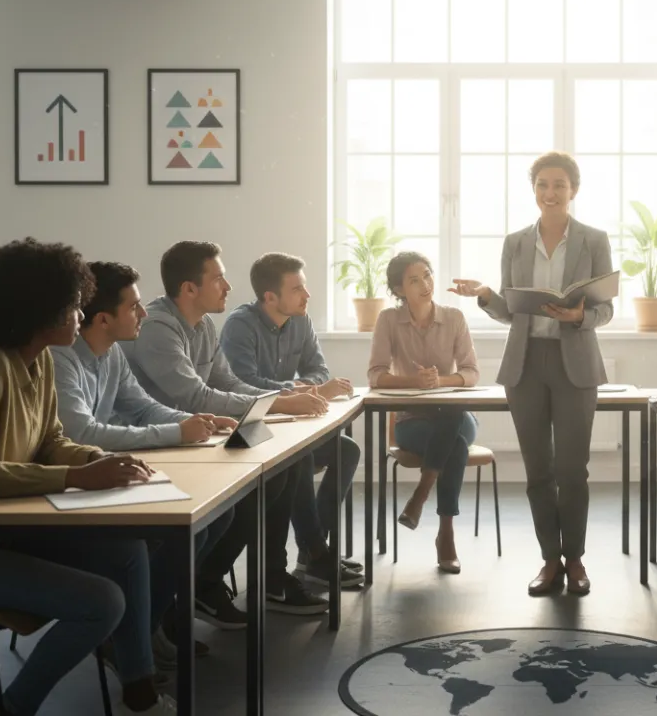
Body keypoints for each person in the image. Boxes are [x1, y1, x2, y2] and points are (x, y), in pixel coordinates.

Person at [0, 238, 173, 715]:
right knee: (101, 601)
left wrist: (93, 460)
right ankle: (11, 710)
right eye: (72, 305)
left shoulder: (37, 358)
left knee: (128, 552)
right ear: (39, 309)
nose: (81, 315)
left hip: (0, 534)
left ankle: (138, 687)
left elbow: (50, 440)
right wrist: (73, 478)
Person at [124, 241, 330, 625]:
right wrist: (282, 402)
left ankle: (211, 582)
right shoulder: (157, 327)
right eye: (218, 278)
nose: (228, 287)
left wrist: (278, 398)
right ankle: (187, 592)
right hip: (161, 448)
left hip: (198, 439)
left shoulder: (202, 325)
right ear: (189, 288)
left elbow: (229, 383)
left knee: (280, 472)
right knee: (241, 499)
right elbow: (194, 394)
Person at [52, 260, 239, 666]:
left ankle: (144, 628)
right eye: (135, 306)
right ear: (103, 319)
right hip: (70, 489)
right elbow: (81, 434)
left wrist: (194, 422)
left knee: (215, 518)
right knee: (174, 532)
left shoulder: (113, 354)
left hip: (104, 476)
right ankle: (133, 639)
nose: (143, 313)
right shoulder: (60, 360)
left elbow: (141, 407)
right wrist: (178, 433)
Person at [449, 151, 613, 596]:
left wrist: (579, 314)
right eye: (543, 184)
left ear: (573, 190)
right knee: (538, 469)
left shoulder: (594, 240)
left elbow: (606, 308)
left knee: (572, 468)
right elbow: (511, 310)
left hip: (574, 360)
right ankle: (549, 561)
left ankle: (575, 559)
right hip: (525, 363)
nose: (551, 192)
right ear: (534, 191)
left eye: (559, 184)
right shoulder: (515, 242)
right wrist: (485, 294)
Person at [220, 252, 364, 589]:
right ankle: (315, 553)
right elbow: (244, 382)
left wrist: (304, 387)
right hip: (248, 427)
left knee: (347, 451)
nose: (307, 295)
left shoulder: (301, 320)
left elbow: (319, 370)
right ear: (270, 297)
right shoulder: (240, 325)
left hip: (287, 423)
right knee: (300, 459)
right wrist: (297, 388)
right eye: (298, 288)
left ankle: (312, 552)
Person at [369, 251, 480, 573]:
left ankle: (423, 490)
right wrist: (412, 382)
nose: (425, 284)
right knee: (455, 445)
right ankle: (446, 534)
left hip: (457, 416)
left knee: (452, 412)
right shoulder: (389, 320)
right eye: (414, 280)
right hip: (413, 422)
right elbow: (375, 375)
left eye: (428, 275)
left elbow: (472, 373)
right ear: (399, 289)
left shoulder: (454, 318)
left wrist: (441, 380)